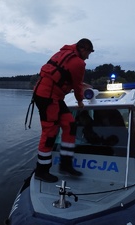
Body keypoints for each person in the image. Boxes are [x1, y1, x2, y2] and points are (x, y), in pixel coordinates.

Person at [33, 38, 94, 182]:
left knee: (70, 124)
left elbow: (67, 77)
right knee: (49, 134)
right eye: (89, 53)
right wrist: (79, 101)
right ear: (83, 49)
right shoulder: (78, 62)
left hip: (51, 96)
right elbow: (77, 86)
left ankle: (65, 165)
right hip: (47, 98)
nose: (88, 57)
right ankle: (41, 171)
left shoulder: (63, 53)